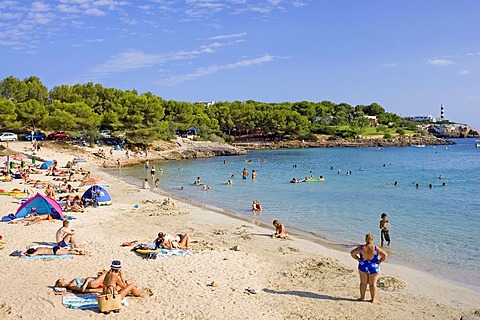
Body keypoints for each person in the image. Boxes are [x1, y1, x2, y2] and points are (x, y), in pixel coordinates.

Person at [350, 234, 388, 303]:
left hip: (363, 265)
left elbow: (352, 253)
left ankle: (362, 298)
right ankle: (373, 299)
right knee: (372, 284)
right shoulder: (375, 248)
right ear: (372, 239)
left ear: (365, 239)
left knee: (363, 283)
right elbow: (385, 255)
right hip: (373, 266)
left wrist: (358, 259)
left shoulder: (361, 248)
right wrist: (379, 261)